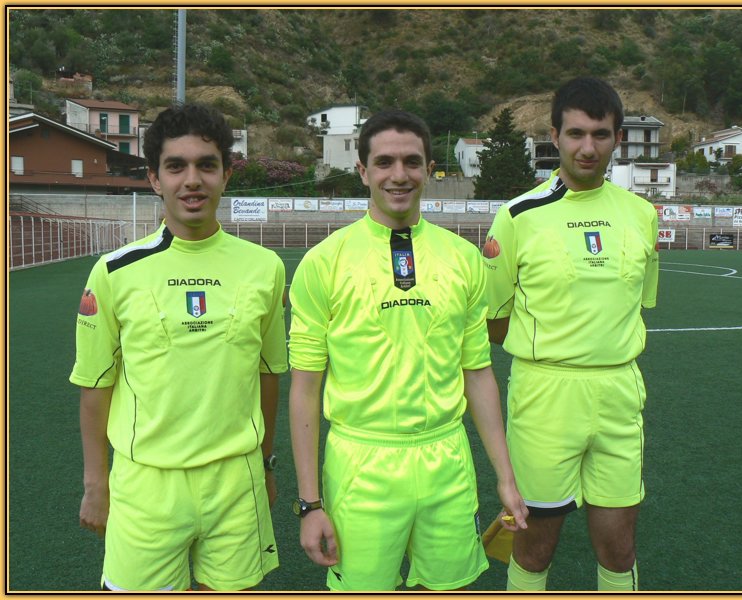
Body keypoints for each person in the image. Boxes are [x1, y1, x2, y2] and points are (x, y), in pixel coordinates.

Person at [288, 109, 528, 591]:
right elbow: (305, 390)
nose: (399, 175)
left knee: (448, 587)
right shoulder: (324, 262)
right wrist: (311, 504)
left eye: (412, 162)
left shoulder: (463, 258)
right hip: (361, 463)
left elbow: (477, 373)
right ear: (363, 171)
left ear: (429, 169)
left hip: (446, 459)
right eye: (384, 162)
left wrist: (505, 476)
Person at [70, 103, 288, 591]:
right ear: (154, 179)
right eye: (176, 166)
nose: (192, 180)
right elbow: (94, 387)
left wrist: (266, 464)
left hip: (237, 480)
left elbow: (268, 374)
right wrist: (95, 483)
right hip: (146, 483)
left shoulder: (265, 267)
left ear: (226, 175)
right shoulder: (114, 271)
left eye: (207, 165)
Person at [482, 76, 659, 591]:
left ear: (618, 138)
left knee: (619, 549)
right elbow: (494, 320)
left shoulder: (642, 215)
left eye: (600, 135)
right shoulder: (518, 216)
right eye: (576, 133)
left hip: (619, 392)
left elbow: (638, 304)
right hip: (545, 395)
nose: (588, 147)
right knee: (534, 548)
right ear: (554, 136)